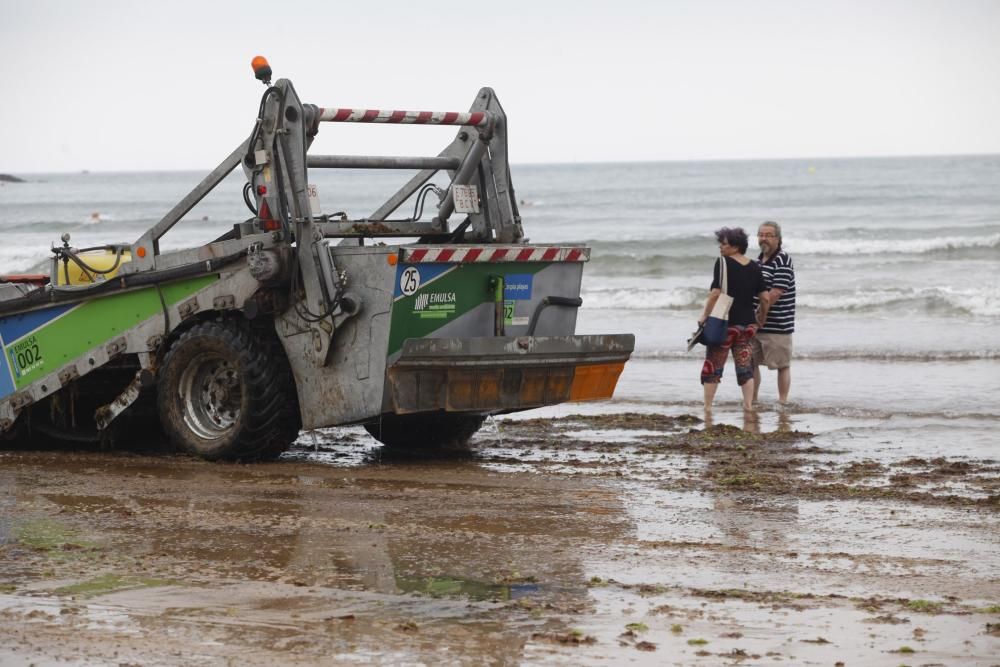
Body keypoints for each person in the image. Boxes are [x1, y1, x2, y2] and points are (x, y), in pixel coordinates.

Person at [698, 227, 768, 412]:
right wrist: (761, 317)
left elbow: (715, 293)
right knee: (745, 368)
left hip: (724, 325)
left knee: (714, 366)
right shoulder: (755, 266)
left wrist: (704, 316)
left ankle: (707, 408)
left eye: (724, 244)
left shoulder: (722, 263)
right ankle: (748, 406)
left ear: (736, 246)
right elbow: (765, 298)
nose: (720, 247)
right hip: (747, 326)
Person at [753, 221, 796, 403]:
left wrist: (760, 315)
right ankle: (752, 400)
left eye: (768, 235)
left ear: (778, 238)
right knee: (750, 363)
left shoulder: (783, 259)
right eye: (761, 235)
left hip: (777, 323)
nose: (764, 239)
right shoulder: (757, 261)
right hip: (755, 322)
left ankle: (783, 401)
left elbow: (776, 292)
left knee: (782, 365)